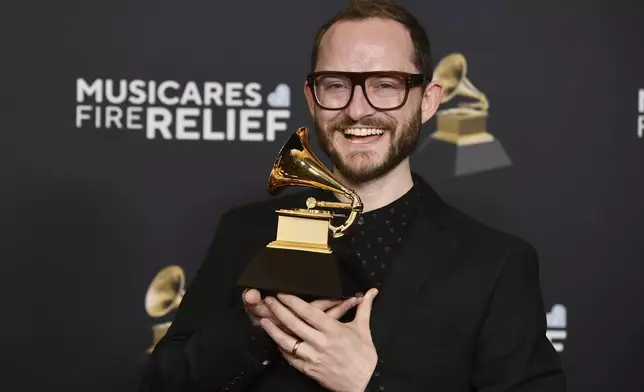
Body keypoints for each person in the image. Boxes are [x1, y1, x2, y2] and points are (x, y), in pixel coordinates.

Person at [139, 0, 566, 391]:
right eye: (337, 85)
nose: (358, 110)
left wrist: (370, 382)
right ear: (312, 97)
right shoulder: (245, 231)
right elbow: (162, 382)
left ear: (428, 101)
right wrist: (254, 329)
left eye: (385, 85)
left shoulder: (496, 264)